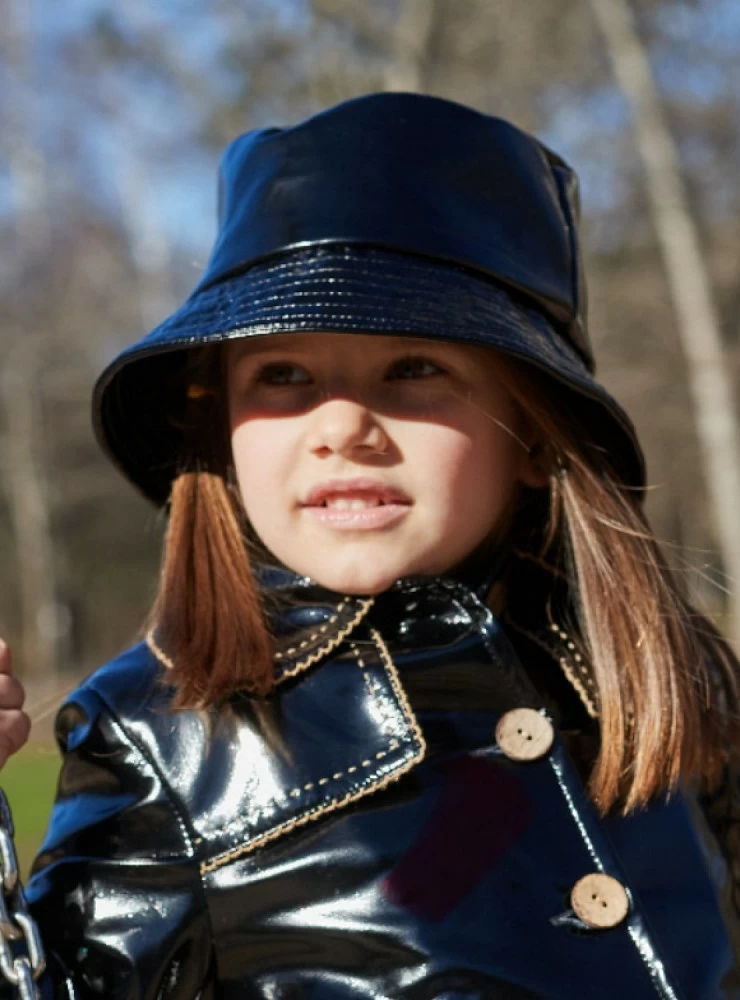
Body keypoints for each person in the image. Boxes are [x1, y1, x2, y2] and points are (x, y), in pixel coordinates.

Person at [0, 91, 737, 999]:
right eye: (283, 375)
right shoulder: (164, 733)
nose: (342, 426)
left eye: (415, 368)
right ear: (221, 429)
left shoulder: (662, 683)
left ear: (539, 436)